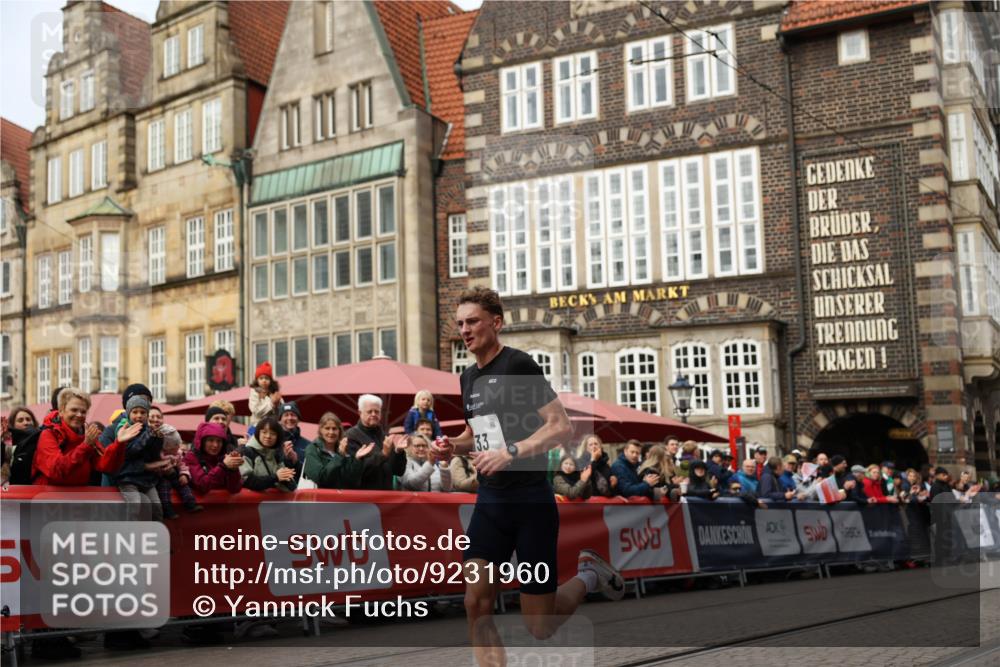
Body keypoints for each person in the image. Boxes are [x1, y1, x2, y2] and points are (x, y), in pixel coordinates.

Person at [432, 287, 623, 667]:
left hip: (530, 504)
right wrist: (451, 446)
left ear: (496, 323)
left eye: (473, 322)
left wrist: (511, 452)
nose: (464, 330)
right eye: (460, 323)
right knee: (475, 602)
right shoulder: (467, 377)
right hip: (491, 503)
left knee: (540, 625)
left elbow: (560, 425)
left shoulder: (518, 365)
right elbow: (474, 433)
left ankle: (588, 574)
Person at [113, 395, 165, 522]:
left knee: (157, 506)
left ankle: (156, 532)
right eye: (135, 412)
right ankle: (131, 531)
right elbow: (131, 451)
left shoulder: (149, 430)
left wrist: (157, 439)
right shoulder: (124, 430)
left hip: (146, 478)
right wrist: (148, 435)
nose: (139, 415)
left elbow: (154, 455)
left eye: (143, 412)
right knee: (134, 505)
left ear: (147, 415)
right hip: (127, 477)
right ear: (128, 414)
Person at [345, 394, 408, 490]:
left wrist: (398, 452)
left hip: (386, 495)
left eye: (377, 411)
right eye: (369, 411)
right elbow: (355, 471)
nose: (374, 414)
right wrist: (382, 455)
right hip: (363, 495)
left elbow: (398, 471)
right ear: (360, 413)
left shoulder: (385, 436)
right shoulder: (350, 436)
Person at [302, 412, 373, 488]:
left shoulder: (345, 449)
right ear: (321, 430)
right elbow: (321, 478)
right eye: (327, 428)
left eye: (334, 428)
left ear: (339, 431)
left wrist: (357, 459)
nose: (331, 432)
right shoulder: (313, 449)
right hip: (320, 495)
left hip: (342, 495)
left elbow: (353, 482)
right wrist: (339, 456)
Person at [155, 424, 202, 518]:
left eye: (178, 444)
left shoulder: (178, 454)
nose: (177, 447)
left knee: (183, 485)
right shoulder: (159, 455)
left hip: (175, 475)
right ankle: (167, 510)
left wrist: (184, 474)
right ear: (166, 448)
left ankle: (190, 503)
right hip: (163, 478)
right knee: (164, 489)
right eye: (174, 446)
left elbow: (182, 465)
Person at [240, 417, 297, 492]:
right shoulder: (247, 451)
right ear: (258, 433)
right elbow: (246, 481)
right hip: (250, 499)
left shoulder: (276, 454)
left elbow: (292, 487)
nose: (268, 436)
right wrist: (276, 477)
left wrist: (287, 477)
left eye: (273, 433)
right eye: (264, 432)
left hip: (274, 499)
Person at [185, 421, 243, 494]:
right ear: (202, 442)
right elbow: (202, 485)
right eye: (211, 440)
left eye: (219, 441)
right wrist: (223, 466)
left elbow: (235, 489)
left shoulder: (223, 457)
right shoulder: (191, 457)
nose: (215, 445)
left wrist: (233, 470)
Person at [276, 401, 310, 466]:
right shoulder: (274, 443)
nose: (290, 418)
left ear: (298, 419)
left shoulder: (308, 445)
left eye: (293, 415)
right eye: (286, 415)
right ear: (280, 420)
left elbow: (310, 469)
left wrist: (295, 461)